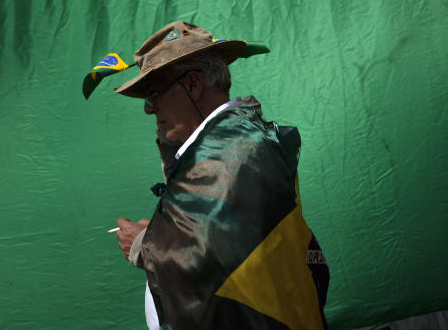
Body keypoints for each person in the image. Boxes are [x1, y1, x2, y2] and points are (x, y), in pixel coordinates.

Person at [111, 21, 329, 329]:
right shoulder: (224, 144)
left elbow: (206, 255)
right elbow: (215, 234)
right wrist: (164, 231)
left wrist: (144, 244)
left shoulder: (236, 150)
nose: (148, 109)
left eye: (154, 93)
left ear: (192, 85)